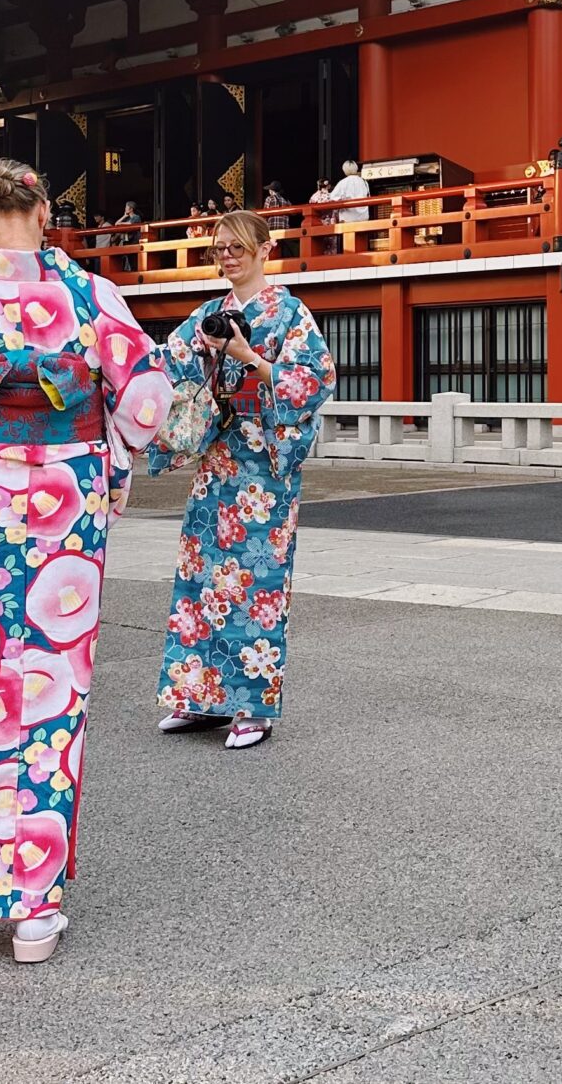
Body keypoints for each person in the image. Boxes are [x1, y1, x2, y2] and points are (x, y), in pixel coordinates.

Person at [0, 158, 171, 966]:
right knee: (53, 692)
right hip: (67, 496)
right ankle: (32, 912)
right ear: (44, 212)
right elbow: (145, 399)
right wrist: (112, 453)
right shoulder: (92, 298)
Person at [148, 209, 336, 750]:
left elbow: (314, 380)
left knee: (255, 586)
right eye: (218, 249)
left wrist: (249, 357)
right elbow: (167, 364)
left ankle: (252, 707)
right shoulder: (210, 313)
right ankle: (198, 698)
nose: (226, 256)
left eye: (236, 247)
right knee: (201, 576)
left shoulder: (290, 313)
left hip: (264, 466)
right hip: (219, 461)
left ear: (263, 250)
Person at [114, 198, 142, 273]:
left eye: (126, 207)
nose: (125, 209)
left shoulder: (136, 217)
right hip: (127, 241)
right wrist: (124, 216)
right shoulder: (127, 218)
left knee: (134, 260)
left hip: (134, 241)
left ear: (131, 209)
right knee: (129, 260)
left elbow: (130, 224)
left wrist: (121, 223)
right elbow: (116, 224)